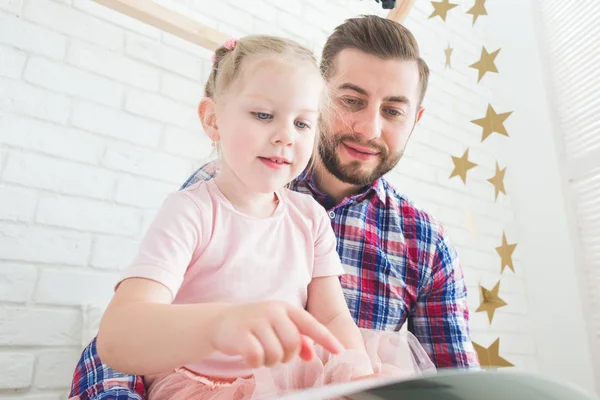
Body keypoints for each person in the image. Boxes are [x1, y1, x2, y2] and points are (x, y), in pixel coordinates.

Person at [69, 15, 479, 400]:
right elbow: (122, 337)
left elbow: (342, 323)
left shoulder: (403, 238)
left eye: (302, 123)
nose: (285, 136)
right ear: (213, 120)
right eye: (352, 101)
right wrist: (219, 325)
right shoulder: (203, 200)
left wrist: (354, 369)